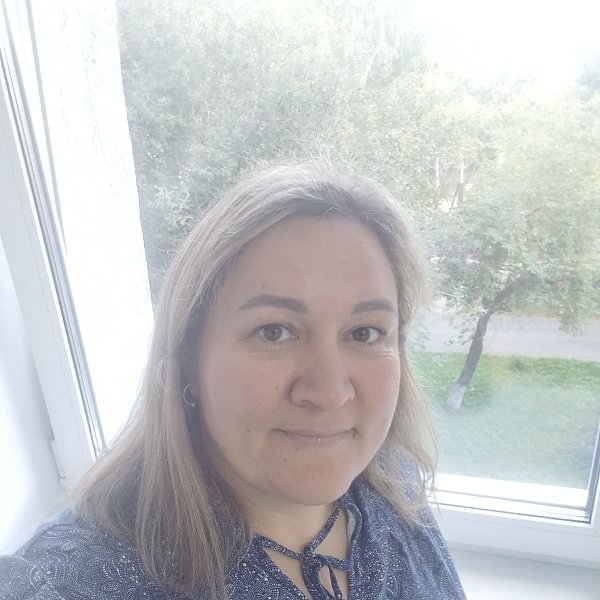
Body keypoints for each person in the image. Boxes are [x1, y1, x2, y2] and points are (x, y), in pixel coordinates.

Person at [0, 162, 466, 599]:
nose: (329, 393)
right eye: (274, 331)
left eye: (365, 333)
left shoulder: (394, 482)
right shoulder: (66, 583)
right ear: (188, 359)